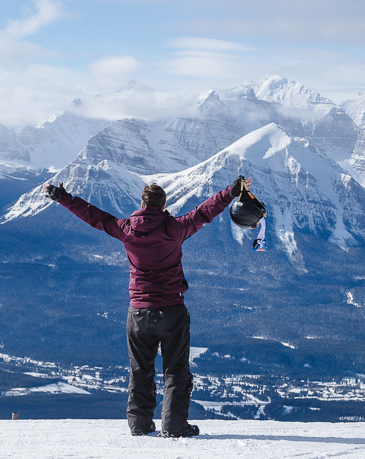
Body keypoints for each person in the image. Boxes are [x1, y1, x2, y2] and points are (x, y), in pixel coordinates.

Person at [44, 176, 252, 437]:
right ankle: (174, 426)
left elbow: (94, 216)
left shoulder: (126, 229)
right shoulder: (175, 228)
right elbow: (203, 212)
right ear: (164, 205)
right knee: (175, 370)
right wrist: (230, 192)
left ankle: (139, 424)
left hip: (138, 312)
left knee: (140, 369)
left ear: (141, 205)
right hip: (172, 310)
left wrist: (62, 197)